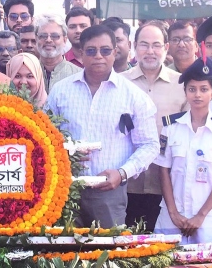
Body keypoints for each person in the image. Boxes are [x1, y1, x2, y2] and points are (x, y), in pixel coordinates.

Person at [45, 25, 159, 227]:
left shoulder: (133, 96)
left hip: (109, 193)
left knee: (108, 246)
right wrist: (64, 151)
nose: (98, 56)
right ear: (81, 53)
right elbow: (46, 136)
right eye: (91, 51)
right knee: (63, 246)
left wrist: (122, 173)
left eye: (105, 50)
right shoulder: (61, 91)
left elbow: (150, 145)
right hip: (65, 189)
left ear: (115, 52)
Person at [153, 55, 212, 244]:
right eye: (192, 89)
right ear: (185, 92)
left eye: (203, 89)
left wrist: (200, 216)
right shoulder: (171, 127)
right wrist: (173, 213)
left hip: (208, 219)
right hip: (172, 217)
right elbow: (163, 170)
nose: (197, 95)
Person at [121, 20, 187, 230]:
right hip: (126, 183)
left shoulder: (182, 85)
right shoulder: (119, 83)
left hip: (166, 186)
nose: (150, 51)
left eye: (156, 45)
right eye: (144, 44)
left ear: (166, 48)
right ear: (134, 46)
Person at [35, 14, 81, 92]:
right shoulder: (27, 73)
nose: (48, 40)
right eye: (43, 36)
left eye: (55, 36)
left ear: (65, 40)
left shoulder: (78, 75)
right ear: (36, 39)